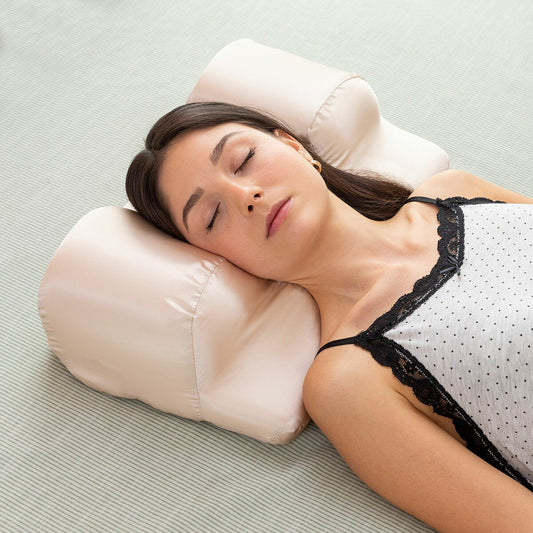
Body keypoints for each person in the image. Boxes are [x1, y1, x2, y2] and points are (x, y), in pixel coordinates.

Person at [126, 102, 533, 532]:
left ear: (295, 147)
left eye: (244, 160)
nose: (246, 197)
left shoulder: (454, 190)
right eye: (212, 216)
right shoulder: (345, 382)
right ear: (219, 259)